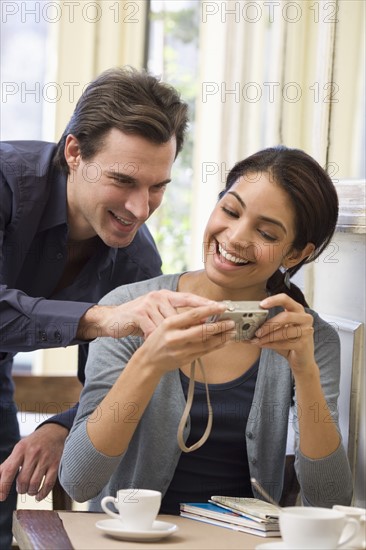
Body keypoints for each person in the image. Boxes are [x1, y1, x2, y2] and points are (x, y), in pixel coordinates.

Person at [59, 146, 353, 512]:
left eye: (266, 233)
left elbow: (330, 500)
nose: (235, 237)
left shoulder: (311, 338)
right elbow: (78, 479)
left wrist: (305, 371)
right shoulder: (131, 307)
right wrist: (149, 362)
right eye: (230, 211)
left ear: (294, 254)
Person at [0, 66, 215, 549]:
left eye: (158, 186)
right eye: (124, 180)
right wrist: (100, 319)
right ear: (74, 153)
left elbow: (108, 379)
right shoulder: (4, 183)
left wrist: (62, 425)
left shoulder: (137, 257)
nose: (140, 209)